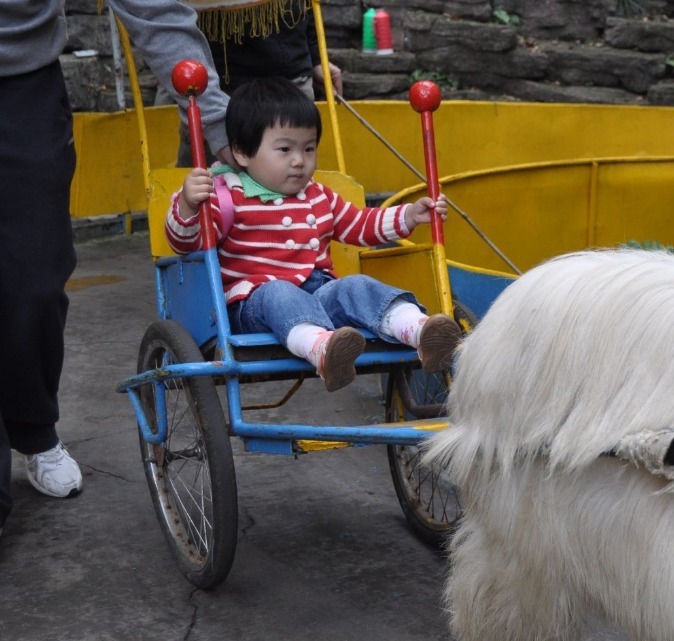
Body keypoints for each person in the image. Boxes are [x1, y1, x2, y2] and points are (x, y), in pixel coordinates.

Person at [0, 0, 232, 536]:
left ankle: (33, 426)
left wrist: (218, 122)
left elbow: (152, 7)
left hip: (22, 85)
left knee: (34, 282)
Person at [165, 77, 462, 392]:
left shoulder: (318, 195)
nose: (299, 161)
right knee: (279, 293)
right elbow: (186, 242)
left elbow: (360, 224)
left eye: (308, 148)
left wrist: (409, 215)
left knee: (355, 286)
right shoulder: (227, 196)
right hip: (256, 306)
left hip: (319, 297)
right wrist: (187, 204)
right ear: (241, 152)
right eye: (284, 149)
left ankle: (420, 331)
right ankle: (322, 350)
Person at [156, 0, 342, 167]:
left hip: (288, 74)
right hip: (212, 84)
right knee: (203, 185)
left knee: (295, 177)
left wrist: (317, 58)